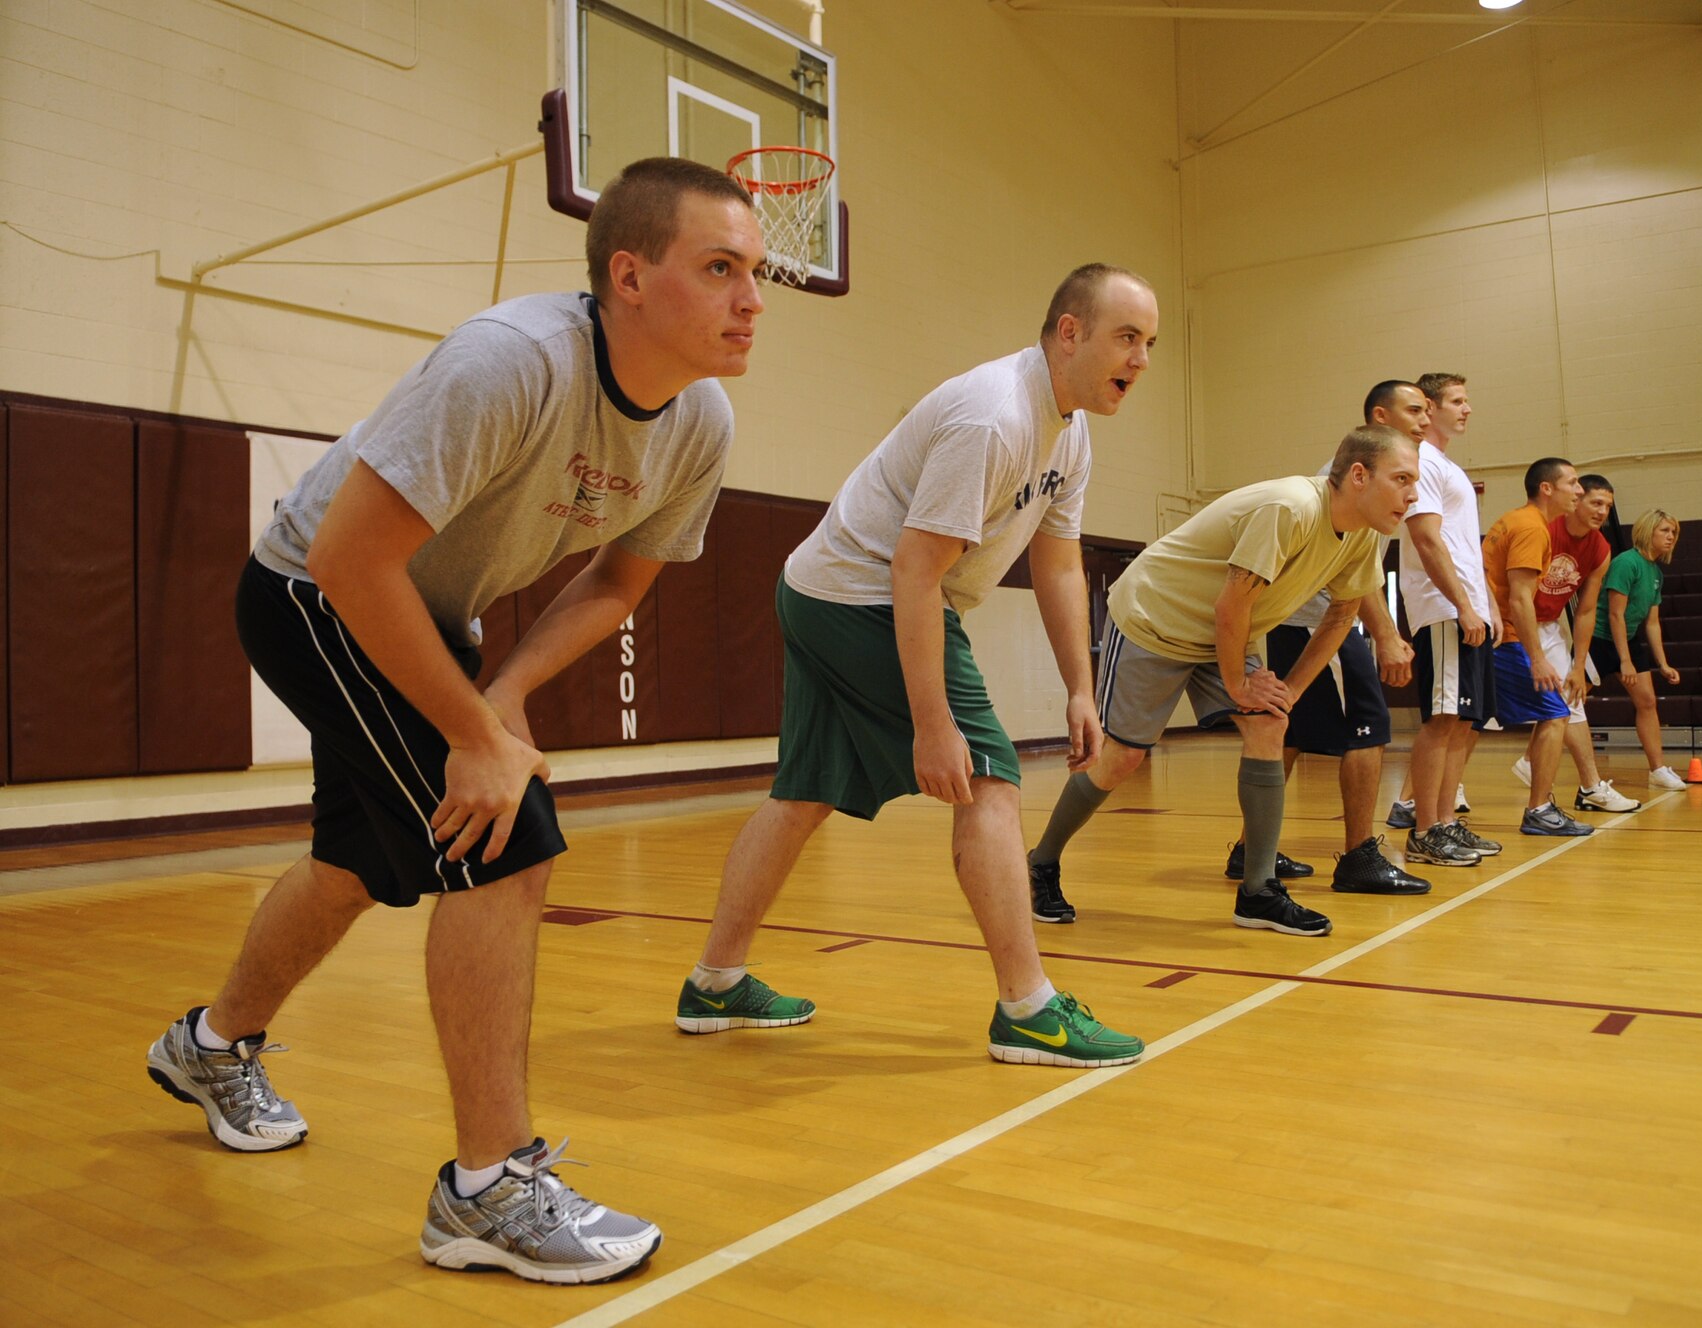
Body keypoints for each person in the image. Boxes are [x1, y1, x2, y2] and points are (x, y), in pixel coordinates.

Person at [145, 158, 767, 1283]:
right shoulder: (510, 361)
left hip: (432, 608)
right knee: (502, 839)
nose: (751, 300)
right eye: (719, 268)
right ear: (628, 276)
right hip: (311, 589)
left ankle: (209, 1046)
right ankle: (485, 1188)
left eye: (756, 272)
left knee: (353, 863)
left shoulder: (700, 422)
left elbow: (617, 586)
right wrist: (480, 742)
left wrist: (501, 697)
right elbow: (345, 558)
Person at [679, 263, 1156, 1071]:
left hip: (822, 589)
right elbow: (913, 571)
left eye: (1148, 343)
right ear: (1069, 332)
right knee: (992, 777)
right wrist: (933, 725)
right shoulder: (996, 418)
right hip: (860, 594)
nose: (1140, 360)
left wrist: (1081, 685)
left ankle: (715, 983)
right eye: (1126, 338)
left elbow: (1060, 564)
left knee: (803, 794)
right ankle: (1030, 1011)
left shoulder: (1068, 430)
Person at [1027, 424, 1423, 935]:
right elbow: (1231, 603)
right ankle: (1041, 862)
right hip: (1156, 620)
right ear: (1359, 475)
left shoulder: (1366, 532)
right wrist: (1238, 685)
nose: (1413, 493)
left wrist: (1290, 694)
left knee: (1268, 726)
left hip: (1225, 633)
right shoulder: (1291, 508)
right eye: (1403, 478)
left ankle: (1257, 892)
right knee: (1122, 757)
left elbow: (1341, 615)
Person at [1224, 416, 1426, 896]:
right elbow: (1353, 591)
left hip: (1304, 619)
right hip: (1313, 619)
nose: (1423, 418)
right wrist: (1386, 635)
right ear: (1381, 418)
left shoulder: (1385, 487)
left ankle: (1250, 850)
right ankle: (1358, 857)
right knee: (1369, 724)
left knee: (1285, 731)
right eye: (1413, 409)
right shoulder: (1357, 478)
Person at [1384, 373, 1496, 868]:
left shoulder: (1445, 464)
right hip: (1445, 608)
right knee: (1441, 719)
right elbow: (1427, 540)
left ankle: (1446, 821)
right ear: (1429, 406)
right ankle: (1424, 829)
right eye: (1457, 400)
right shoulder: (1422, 462)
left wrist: (1484, 607)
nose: (1466, 408)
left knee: (1461, 722)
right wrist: (1464, 605)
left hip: (1467, 609)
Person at [1507, 474, 1640, 812]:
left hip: (1549, 627)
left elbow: (1586, 611)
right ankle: (1434, 793)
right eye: (1596, 503)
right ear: (1576, 500)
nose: (1602, 512)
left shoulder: (1600, 548)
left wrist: (1579, 665)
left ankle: (1591, 787)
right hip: (1508, 621)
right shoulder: (1544, 530)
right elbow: (1514, 591)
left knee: (1571, 700)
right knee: (1473, 716)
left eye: (1608, 506)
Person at [1484, 458, 1595, 836]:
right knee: (1555, 713)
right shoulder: (1533, 528)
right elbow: (1518, 600)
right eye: (1573, 483)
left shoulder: (1516, 521)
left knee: (1460, 725)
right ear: (1547, 488)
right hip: (1502, 637)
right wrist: (1537, 658)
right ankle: (1539, 810)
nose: (1579, 491)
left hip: (1484, 634)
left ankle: (1410, 804)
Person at [1590, 509, 1691, 789]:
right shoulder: (1626, 563)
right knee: (1568, 703)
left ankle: (1657, 770)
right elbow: (1614, 615)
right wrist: (1625, 661)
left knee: (1647, 702)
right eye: (1665, 531)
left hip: (1628, 638)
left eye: (1674, 532)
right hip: (1598, 639)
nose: (1671, 537)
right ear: (1648, 532)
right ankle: (1530, 759)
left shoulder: (1656, 572)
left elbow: (1653, 623)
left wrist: (1663, 663)